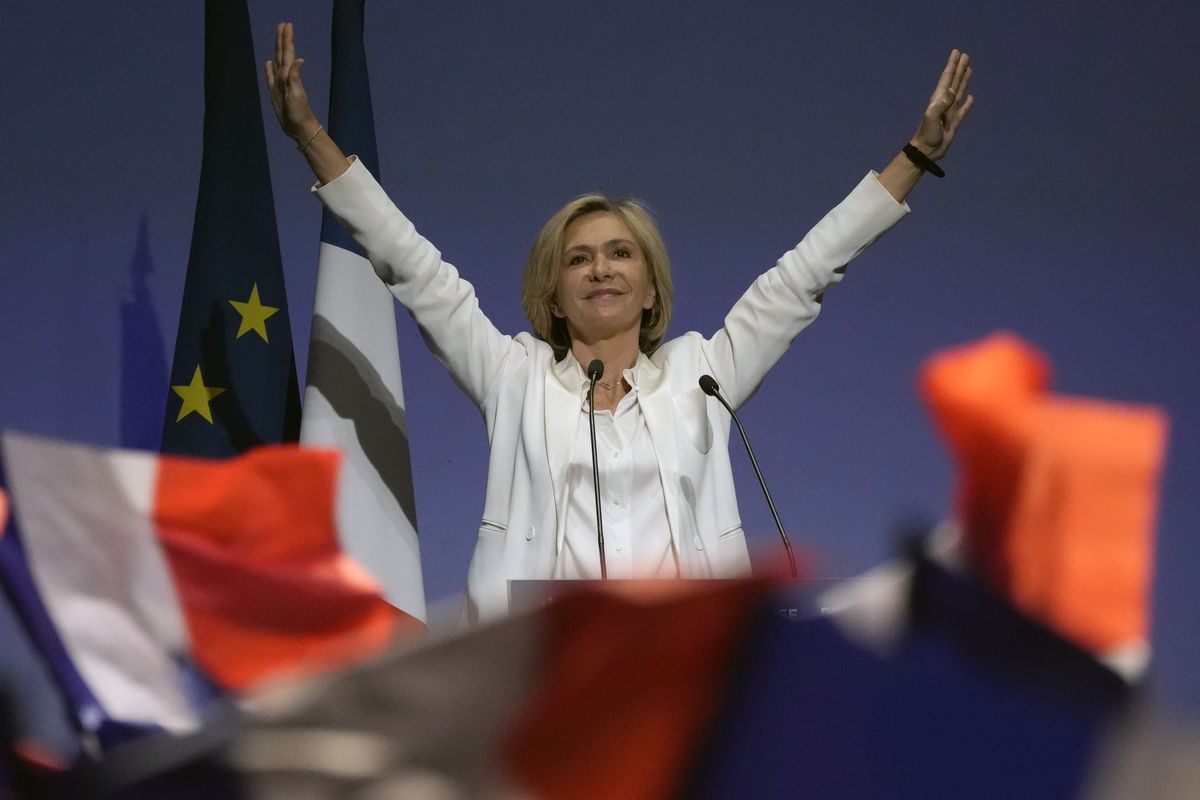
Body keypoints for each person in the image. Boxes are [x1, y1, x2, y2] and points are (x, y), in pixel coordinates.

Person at [265, 22, 974, 621]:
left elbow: (803, 275)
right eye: (578, 260)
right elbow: (415, 270)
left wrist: (911, 160)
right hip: (544, 665)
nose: (601, 269)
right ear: (552, 294)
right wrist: (312, 140)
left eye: (619, 254)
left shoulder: (704, 376)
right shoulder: (515, 377)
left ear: (649, 289)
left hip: (683, 668)